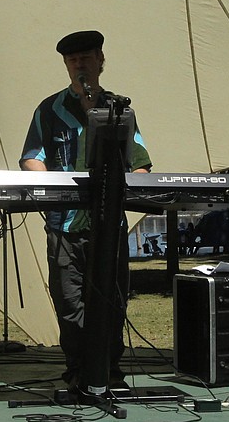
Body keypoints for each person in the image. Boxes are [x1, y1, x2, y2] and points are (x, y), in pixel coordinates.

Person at [20, 30, 152, 391]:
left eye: (86, 58)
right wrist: (52, 188)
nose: (79, 65)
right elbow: (32, 158)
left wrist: (128, 183)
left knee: (113, 300)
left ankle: (110, 371)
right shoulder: (48, 110)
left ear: (100, 61)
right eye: (72, 60)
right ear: (66, 65)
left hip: (108, 225)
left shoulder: (119, 109)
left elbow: (140, 164)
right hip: (64, 224)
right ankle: (78, 370)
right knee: (69, 300)